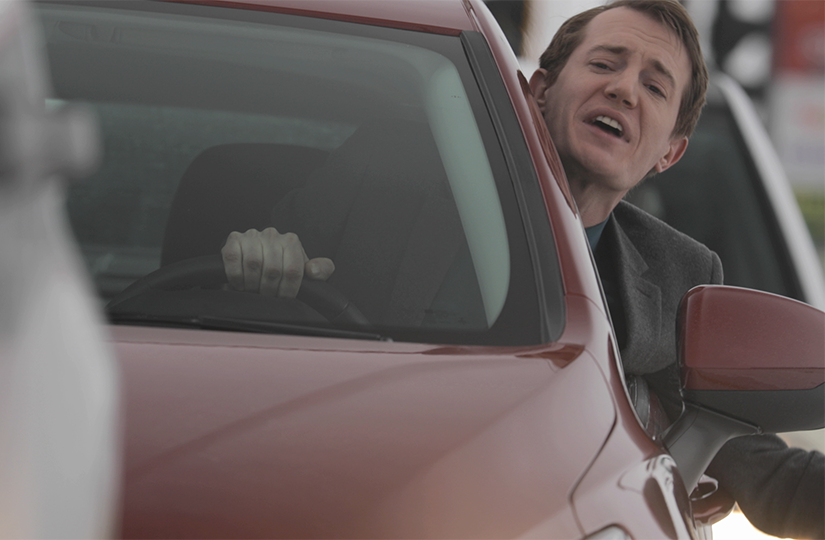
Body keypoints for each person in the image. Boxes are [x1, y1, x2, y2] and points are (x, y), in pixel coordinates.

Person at [219, 0, 825, 536]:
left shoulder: (678, 277)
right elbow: (226, 320)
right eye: (604, 63)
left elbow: (762, 470)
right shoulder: (383, 174)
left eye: (655, 87)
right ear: (539, 90)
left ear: (669, 151)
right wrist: (259, 267)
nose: (623, 90)